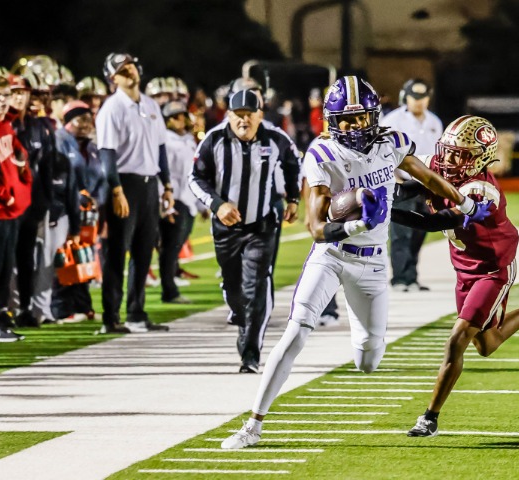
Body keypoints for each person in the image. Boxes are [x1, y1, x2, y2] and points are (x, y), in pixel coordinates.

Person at [220, 76, 490, 449]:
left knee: (368, 359)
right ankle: (253, 424)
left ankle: (358, 326)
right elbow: (316, 229)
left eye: (360, 117)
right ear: (332, 121)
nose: (353, 126)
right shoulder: (322, 153)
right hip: (332, 256)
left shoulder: (391, 142)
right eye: (345, 120)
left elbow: (427, 177)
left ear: (373, 115)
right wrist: (360, 221)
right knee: (296, 331)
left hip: (373, 265)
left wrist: (466, 204)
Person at [402, 115, 519, 437]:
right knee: (486, 344)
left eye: (460, 155)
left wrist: (384, 214)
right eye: (448, 151)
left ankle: (429, 418)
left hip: (492, 269)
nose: (449, 160)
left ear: (480, 158)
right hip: (463, 268)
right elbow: (410, 176)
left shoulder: (481, 190)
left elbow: (433, 222)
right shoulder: (442, 163)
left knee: (457, 340)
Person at [190, 89, 301, 373]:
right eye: (237, 115)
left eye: (249, 115)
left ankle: (251, 352)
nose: (243, 120)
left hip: (261, 225)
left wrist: (293, 198)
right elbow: (195, 178)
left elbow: (294, 164)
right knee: (233, 287)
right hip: (226, 226)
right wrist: (217, 205)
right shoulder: (214, 139)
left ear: (259, 115)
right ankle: (241, 318)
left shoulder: (275, 138)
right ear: (228, 116)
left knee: (257, 284)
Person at [96, 52, 174, 334]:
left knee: (144, 250)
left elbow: (160, 148)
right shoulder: (112, 108)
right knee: (117, 253)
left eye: (130, 66)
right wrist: (116, 190)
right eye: (122, 69)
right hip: (124, 183)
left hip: (149, 184)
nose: (129, 71)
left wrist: (167, 185)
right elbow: (107, 154)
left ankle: (136, 313)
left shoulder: (150, 104)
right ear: (113, 78)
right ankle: (111, 317)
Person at [380, 79, 443, 292]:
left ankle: (412, 276)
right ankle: (399, 278)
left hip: (426, 185)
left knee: (420, 231)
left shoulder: (434, 121)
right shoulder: (392, 120)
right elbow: (383, 154)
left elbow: (437, 154)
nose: (418, 102)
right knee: (401, 232)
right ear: (405, 97)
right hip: (402, 182)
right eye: (414, 97)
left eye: (422, 97)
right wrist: (395, 180)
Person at [0, 75, 32, 341]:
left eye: (6, 95)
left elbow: (18, 154)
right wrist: (4, 195)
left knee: (3, 272)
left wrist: (22, 176)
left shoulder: (5, 123)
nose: (3, 101)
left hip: (8, 210)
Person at [10, 71, 55, 328]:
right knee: (4, 260)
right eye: (14, 93)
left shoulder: (39, 127)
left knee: (27, 258)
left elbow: (47, 166)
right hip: (6, 203)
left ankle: (25, 308)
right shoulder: (1, 125)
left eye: (23, 93)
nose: (19, 98)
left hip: (32, 203)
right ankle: (2, 309)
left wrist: (47, 201)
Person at [52, 100, 104, 321]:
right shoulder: (59, 141)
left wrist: (97, 199)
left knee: (84, 256)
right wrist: (77, 196)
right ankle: (62, 308)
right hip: (64, 209)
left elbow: (101, 178)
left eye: (88, 119)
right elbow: (57, 177)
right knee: (64, 258)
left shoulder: (91, 148)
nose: (85, 124)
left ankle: (83, 305)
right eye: (80, 119)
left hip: (88, 212)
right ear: (67, 121)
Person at [158, 100, 198, 304]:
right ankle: (169, 290)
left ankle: (170, 284)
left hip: (188, 199)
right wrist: (166, 203)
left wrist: (200, 203)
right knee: (170, 247)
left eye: (181, 115)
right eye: (174, 117)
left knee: (176, 246)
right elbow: (162, 173)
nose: (179, 120)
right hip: (174, 199)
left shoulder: (189, 140)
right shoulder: (165, 141)